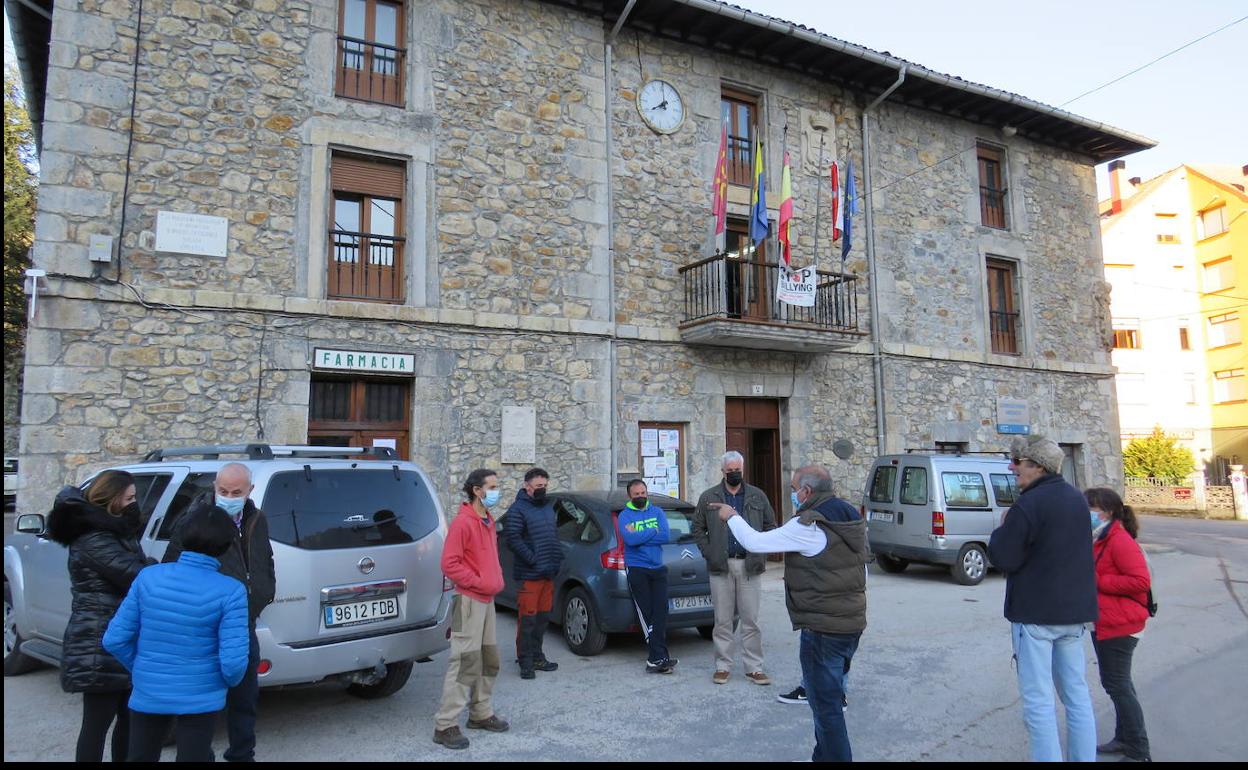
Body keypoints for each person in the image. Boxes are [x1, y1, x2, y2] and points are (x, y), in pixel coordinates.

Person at [714, 465, 867, 762]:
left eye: (794, 489)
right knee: (830, 700)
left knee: (826, 710)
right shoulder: (849, 515)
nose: (793, 495)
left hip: (823, 628)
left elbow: (756, 542)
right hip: (851, 622)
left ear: (807, 492)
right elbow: (859, 567)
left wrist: (731, 516)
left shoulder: (809, 525)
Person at [104, 507, 250, 762]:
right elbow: (234, 663)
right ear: (226, 545)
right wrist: (221, 682)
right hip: (201, 695)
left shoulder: (148, 577)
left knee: (140, 756)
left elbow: (114, 639)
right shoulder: (231, 591)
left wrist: (142, 667)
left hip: (149, 690)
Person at [987, 435, 1098, 763]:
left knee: (1038, 703)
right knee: (1077, 696)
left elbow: (1003, 557)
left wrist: (1002, 528)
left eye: (1018, 462)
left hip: (1036, 614)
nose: (1013, 468)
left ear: (1036, 466)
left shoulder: (1028, 504)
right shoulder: (1076, 499)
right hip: (1074, 614)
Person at [163, 462, 275, 762]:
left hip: (243, 622)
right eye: (223, 490)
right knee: (202, 702)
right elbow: (172, 567)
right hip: (205, 626)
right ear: (215, 487)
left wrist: (264, 594)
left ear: (249, 491)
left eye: (235, 491)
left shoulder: (256, 519)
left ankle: (242, 755)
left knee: (245, 698)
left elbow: (264, 562)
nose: (228, 496)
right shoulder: (194, 521)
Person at [46, 470, 155, 763]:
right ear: (113, 498)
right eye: (130, 497)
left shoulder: (115, 531)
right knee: (96, 725)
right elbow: (133, 574)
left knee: (129, 721)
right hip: (99, 641)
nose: (134, 503)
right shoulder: (93, 538)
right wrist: (162, 569)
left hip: (118, 637)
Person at [433, 469, 509, 750]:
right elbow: (449, 563)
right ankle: (445, 725)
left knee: (489, 659)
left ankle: (480, 713)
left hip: (487, 601)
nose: (496, 491)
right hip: (468, 601)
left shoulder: (486, 519)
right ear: (477, 490)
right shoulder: (463, 522)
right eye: (492, 486)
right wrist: (478, 583)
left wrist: (491, 583)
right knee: (465, 662)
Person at [692, 451, 777, 686]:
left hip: (749, 565)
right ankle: (723, 666)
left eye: (737, 470)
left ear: (743, 469)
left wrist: (761, 550)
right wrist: (709, 552)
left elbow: (770, 525)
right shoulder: (709, 497)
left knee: (751, 619)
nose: (734, 474)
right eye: (729, 471)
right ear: (722, 471)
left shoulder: (757, 496)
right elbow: (698, 529)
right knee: (722, 620)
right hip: (721, 566)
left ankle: (754, 667)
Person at [1086, 487, 1153, 762]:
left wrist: (1098, 582)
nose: (1086, 514)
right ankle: (1124, 738)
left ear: (1107, 512)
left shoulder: (1119, 540)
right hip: (1107, 621)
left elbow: (1140, 582)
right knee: (1117, 684)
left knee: (1117, 685)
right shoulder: (1100, 537)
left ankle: (1139, 751)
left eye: (1090, 509)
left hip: (1121, 624)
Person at [503, 467, 564, 679]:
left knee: (542, 619)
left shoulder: (547, 507)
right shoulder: (517, 510)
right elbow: (513, 539)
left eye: (545, 486)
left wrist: (556, 558)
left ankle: (538, 657)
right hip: (529, 575)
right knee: (527, 621)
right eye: (539, 486)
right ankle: (525, 661)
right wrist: (533, 559)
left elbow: (552, 535)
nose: (543, 490)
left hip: (548, 572)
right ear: (527, 487)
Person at [619, 479, 676, 674]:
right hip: (637, 568)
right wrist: (653, 530)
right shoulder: (625, 516)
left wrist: (642, 535)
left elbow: (666, 536)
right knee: (647, 614)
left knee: (661, 611)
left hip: (658, 568)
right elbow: (630, 540)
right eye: (637, 494)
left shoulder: (657, 512)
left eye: (643, 492)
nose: (641, 496)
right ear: (630, 496)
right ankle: (658, 657)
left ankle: (656, 659)